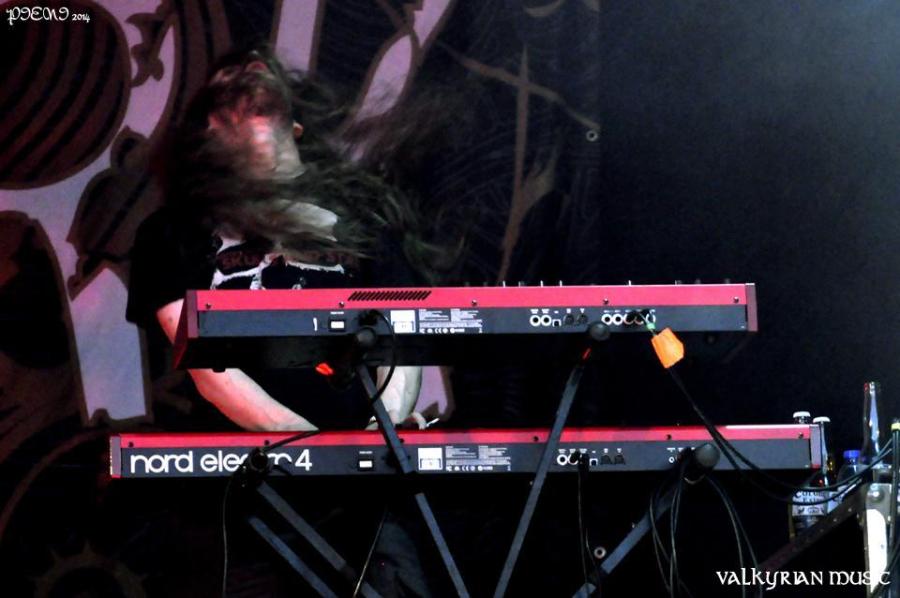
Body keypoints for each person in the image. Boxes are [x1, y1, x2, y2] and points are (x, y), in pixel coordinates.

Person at [127, 47, 430, 432]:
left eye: (260, 72)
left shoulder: (366, 213)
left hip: (363, 443)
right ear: (209, 131)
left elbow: (401, 333)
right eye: (230, 82)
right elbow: (210, 371)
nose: (251, 67)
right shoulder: (172, 231)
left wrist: (383, 431)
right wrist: (307, 448)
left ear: (295, 126)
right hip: (244, 460)